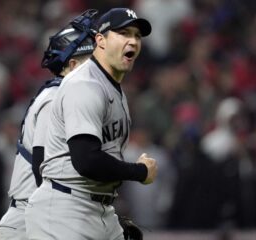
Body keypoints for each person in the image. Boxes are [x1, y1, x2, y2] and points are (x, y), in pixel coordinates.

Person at [25, 8, 158, 240]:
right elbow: (86, 160)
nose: (133, 41)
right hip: (65, 208)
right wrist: (139, 171)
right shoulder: (85, 84)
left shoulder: (111, 86)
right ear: (100, 40)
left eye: (137, 36)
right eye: (123, 33)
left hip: (96, 207)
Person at [0, 9, 98, 240]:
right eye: (90, 60)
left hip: (44, 216)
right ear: (72, 64)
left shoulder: (69, 97)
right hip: (31, 221)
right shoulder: (54, 98)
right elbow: (41, 166)